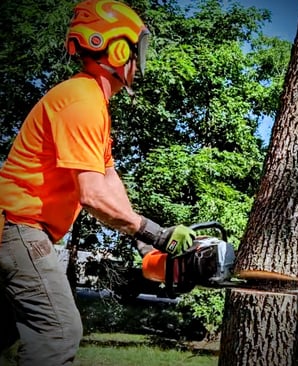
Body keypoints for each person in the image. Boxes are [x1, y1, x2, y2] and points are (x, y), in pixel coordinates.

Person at [0, 1, 195, 365]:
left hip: (17, 228)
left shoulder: (89, 101)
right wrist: (156, 232)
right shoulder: (82, 101)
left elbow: (107, 179)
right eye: (137, 51)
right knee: (58, 332)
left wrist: (145, 243)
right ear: (119, 50)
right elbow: (91, 195)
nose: (139, 62)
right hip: (18, 228)